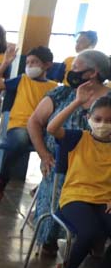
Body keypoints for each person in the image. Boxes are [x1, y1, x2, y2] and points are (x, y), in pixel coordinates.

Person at [28, 50, 111, 254]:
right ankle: (50, 240)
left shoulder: (109, 99)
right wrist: (44, 155)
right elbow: (35, 122)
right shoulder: (62, 93)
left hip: (98, 169)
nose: (70, 72)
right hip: (58, 163)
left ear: (93, 72)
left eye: (75, 68)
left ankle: (91, 241)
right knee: (57, 183)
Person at [48, 93, 111, 268]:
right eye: (98, 119)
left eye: (109, 120)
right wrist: (76, 102)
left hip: (104, 200)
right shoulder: (78, 137)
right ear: (88, 118)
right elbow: (52, 128)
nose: (103, 124)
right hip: (75, 197)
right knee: (89, 233)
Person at [0, 44, 58, 201]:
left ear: (47, 65)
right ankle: (1, 181)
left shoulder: (53, 87)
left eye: (34, 62)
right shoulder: (22, 80)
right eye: (28, 62)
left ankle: (43, 187)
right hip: (19, 126)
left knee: (59, 146)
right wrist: (5, 63)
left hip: (43, 129)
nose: (30, 66)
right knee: (20, 140)